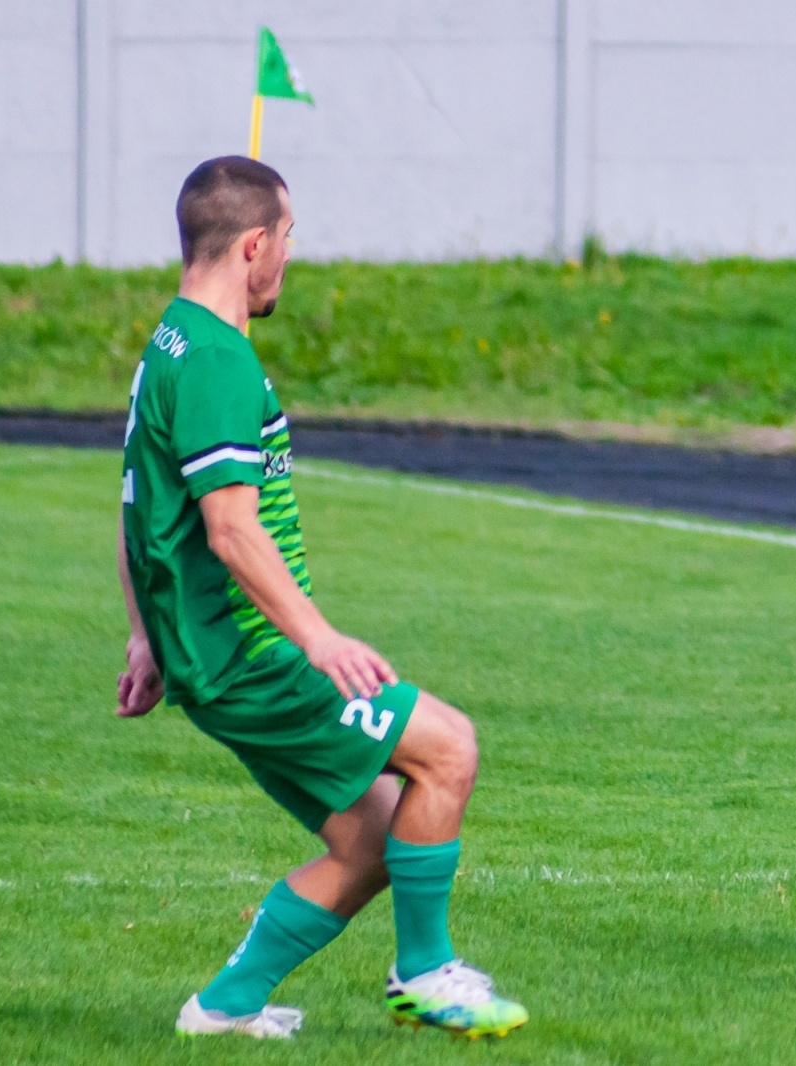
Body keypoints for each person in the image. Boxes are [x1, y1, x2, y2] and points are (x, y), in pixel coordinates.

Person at [115, 156, 527, 1040]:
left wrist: (146, 637)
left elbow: (136, 506)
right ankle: (425, 975)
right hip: (252, 652)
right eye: (288, 238)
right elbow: (230, 530)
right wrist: (319, 640)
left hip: (208, 652)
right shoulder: (216, 361)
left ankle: (223, 1009)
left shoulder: (169, 345)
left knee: (371, 841)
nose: (290, 257)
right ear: (253, 244)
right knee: (449, 749)